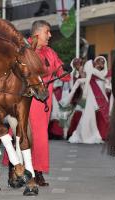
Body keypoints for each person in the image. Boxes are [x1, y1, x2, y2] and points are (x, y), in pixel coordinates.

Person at [29, 20, 71, 186]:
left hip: (45, 101)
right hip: (30, 99)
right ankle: (33, 171)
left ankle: (31, 170)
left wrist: (67, 70)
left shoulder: (50, 52)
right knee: (34, 135)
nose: (50, 35)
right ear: (37, 33)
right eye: (48, 31)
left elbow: (61, 72)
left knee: (37, 135)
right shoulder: (26, 51)